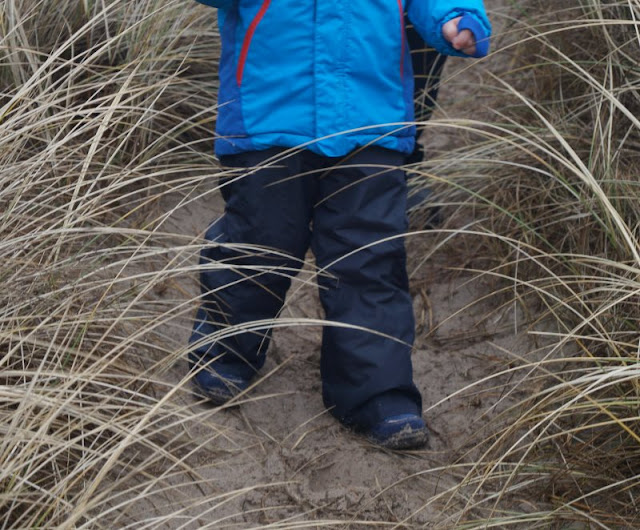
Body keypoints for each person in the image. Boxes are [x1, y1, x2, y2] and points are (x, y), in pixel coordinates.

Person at [188, 0, 491, 449]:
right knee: (258, 242)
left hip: (371, 120)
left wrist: (455, 19)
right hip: (269, 114)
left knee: (369, 257)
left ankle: (375, 392)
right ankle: (227, 351)